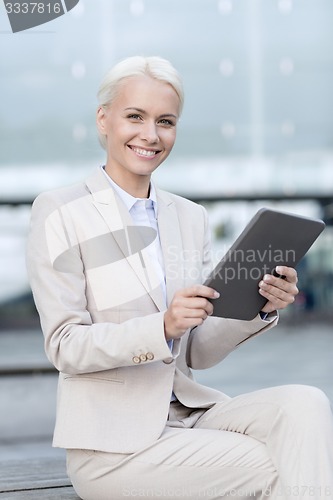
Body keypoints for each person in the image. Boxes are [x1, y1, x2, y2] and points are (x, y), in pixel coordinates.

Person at [26, 56, 333, 500]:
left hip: (189, 414)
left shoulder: (190, 217)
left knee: (307, 404)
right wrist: (162, 326)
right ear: (104, 119)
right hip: (112, 447)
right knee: (282, 462)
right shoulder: (60, 211)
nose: (151, 135)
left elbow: (198, 352)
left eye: (165, 121)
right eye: (136, 116)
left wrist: (261, 305)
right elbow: (66, 345)